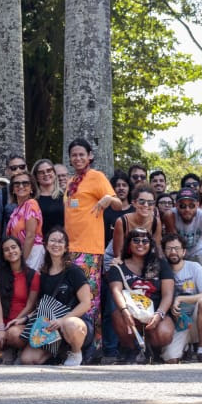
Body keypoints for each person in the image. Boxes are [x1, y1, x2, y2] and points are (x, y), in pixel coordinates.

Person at [61, 138, 124, 361]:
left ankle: (93, 347)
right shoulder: (70, 182)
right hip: (69, 249)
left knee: (90, 299)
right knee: (73, 298)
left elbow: (118, 204)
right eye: (74, 155)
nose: (77, 158)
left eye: (81, 154)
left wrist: (108, 198)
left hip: (88, 249)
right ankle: (75, 341)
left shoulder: (97, 177)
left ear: (90, 156)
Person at [19, 228, 91, 367]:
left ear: (65, 248)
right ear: (46, 245)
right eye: (52, 240)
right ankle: (58, 353)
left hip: (75, 323)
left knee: (71, 324)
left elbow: (86, 304)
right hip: (51, 326)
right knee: (27, 359)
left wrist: (62, 320)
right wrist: (24, 319)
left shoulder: (74, 271)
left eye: (60, 241)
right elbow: (42, 306)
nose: (56, 244)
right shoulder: (44, 273)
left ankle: (76, 352)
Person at [104, 227, 164, 364]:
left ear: (151, 244)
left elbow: (168, 294)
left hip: (154, 310)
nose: (140, 244)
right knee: (117, 313)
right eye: (136, 240)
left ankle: (153, 350)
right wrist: (124, 311)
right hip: (131, 309)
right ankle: (131, 349)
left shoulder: (160, 264)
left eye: (145, 240)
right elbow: (116, 291)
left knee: (164, 334)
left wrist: (159, 314)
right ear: (128, 244)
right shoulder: (118, 266)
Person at [157, 233, 202, 363]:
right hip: (177, 324)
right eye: (169, 248)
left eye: (177, 248)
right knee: (170, 358)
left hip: (196, 320)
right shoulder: (159, 269)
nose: (173, 252)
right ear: (163, 251)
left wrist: (181, 299)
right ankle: (185, 348)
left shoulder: (194, 267)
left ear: (184, 251)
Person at [0, 236, 39, 363]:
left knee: (13, 334)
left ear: (20, 250)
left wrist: (16, 321)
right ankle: (7, 350)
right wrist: (1, 327)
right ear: (4, 255)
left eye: (14, 247)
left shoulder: (33, 275)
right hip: (3, 321)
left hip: (21, 322)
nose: (11, 251)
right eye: (6, 250)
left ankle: (18, 350)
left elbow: (30, 305)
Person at [4, 172, 44, 270]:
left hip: (31, 252)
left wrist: (22, 261)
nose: (21, 186)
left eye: (25, 183)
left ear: (31, 188)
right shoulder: (17, 209)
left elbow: (30, 236)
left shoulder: (31, 204)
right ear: (12, 189)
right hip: (20, 252)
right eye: (16, 184)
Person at [172, 188, 202, 268]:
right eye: (182, 206)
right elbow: (173, 245)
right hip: (179, 251)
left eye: (191, 205)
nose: (187, 210)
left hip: (198, 251)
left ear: (197, 205)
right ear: (176, 205)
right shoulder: (171, 216)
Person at [30, 159, 64, 233]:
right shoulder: (31, 199)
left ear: (54, 173)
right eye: (41, 172)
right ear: (36, 177)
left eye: (49, 170)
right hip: (38, 242)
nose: (46, 174)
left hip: (61, 242)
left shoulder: (65, 196)